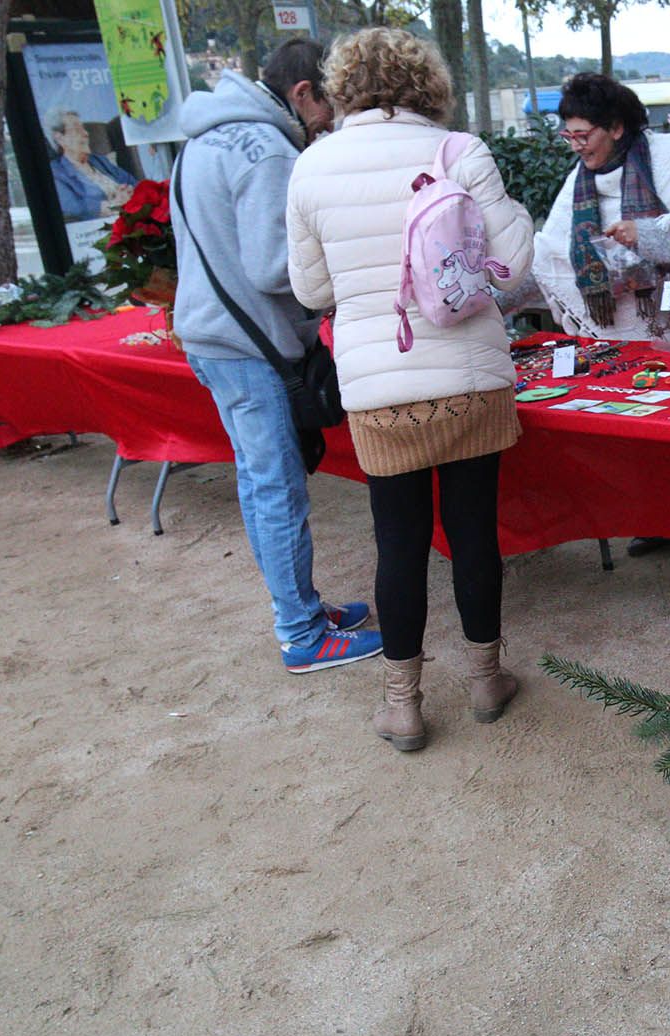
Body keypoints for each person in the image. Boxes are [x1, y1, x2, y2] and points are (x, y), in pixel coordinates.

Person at [286, 28, 534, 752]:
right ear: (430, 82)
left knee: (397, 543)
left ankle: (403, 704)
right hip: (469, 377)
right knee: (472, 530)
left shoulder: (313, 165)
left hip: (378, 380)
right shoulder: (460, 151)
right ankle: (487, 679)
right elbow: (513, 268)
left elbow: (311, 289)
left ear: (343, 85)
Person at [172, 37, 383, 675]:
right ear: (302, 93)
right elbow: (273, 266)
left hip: (215, 338)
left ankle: (305, 611)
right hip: (247, 346)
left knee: (259, 481)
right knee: (277, 490)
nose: (332, 122)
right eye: (329, 106)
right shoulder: (264, 149)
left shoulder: (205, 139)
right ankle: (301, 633)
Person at [516, 72, 670, 565]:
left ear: (617, 127)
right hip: (619, 323)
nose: (576, 147)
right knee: (645, 429)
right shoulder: (580, 178)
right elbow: (552, 250)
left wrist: (644, 235)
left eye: (584, 135)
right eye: (569, 136)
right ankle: (664, 519)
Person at [48, 110, 139, 221]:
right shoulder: (56, 171)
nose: (86, 133)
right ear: (60, 138)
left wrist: (129, 191)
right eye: (77, 130)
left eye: (84, 128)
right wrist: (113, 206)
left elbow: (131, 181)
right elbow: (73, 207)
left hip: (132, 215)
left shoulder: (99, 160)